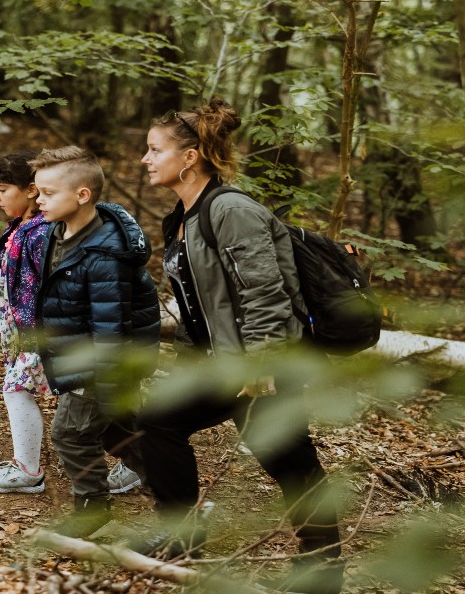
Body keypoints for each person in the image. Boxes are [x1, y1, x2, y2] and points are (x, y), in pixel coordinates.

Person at [135, 98, 343, 593]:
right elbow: (199, 303)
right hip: (218, 362)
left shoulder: (230, 209)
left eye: (154, 149)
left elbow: (264, 289)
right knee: (161, 421)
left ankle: (323, 567)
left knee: (285, 456)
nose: (145, 159)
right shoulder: (182, 217)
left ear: (189, 157)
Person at [31, 145, 158, 536]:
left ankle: (92, 510)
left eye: (48, 193)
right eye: (37, 192)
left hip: (102, 362)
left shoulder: (105, 255)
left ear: (82, 195)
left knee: (69, 433)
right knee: (118, 432)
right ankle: (176, 492)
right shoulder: (59, 232)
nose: (38, 201)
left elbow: (110, 325)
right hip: (79, 355)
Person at [0, 152, 55, 494]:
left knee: (17, 388)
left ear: (32, 190)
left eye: (3, 189)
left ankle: (27, 471)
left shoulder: (41, 233)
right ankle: (140, 462)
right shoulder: (19, 228)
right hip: (19, 329)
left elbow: (50, 287)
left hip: (40, 331)